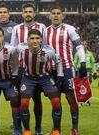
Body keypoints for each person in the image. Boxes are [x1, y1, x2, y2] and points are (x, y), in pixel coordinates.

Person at [44, 5, 87, 135]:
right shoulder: (45, 31)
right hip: (52, 71)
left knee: (71, 98)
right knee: (55, 100)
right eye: (53, 13)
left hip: (67, 68)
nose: (56, 15)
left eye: (58, 13)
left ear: (62, 16)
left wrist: (83, 63)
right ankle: (56, 130)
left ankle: (75, 129)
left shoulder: (70, 29)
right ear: (50, 16)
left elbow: (79, 46)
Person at [10, 3, 46, 135]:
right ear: (22, 13)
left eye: (30, 11)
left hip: (36, 69)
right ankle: (17, 128)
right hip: (20, 69)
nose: (28, 14)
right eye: (26, 12)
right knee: (18, 100)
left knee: (37, 99)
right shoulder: (16, 28)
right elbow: (13, 51)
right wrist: (13, 72)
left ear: (34, 13)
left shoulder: (41, 27)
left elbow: (45, 48)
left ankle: (38, 129)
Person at [18, 29, 63, 135]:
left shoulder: (48, 51)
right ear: (27, 40)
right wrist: (16, 72)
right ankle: (27, 131)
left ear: (41, 40)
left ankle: (56, 131)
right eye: (32, 38)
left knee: (56, 102)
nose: (34, 41)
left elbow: (58, 60)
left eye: (37, 38)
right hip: (28, 78)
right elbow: (12, 56)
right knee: (24, 103)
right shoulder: (21, 48)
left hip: (46, 78)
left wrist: (60, 76)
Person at [0, 3, 17, 132]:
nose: (2, 14)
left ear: (9, 13)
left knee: (14, 97)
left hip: (10, 67)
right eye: (0, 12)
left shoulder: (14, 27)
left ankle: (15, 123)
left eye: (4, 12)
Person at [74, 40, 97, 106]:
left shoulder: (90, 54)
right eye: (83, 44)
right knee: (80, 85)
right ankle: (81, 101)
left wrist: (95, 72)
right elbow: (75, 62)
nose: (84, 46)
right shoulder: (77, 53)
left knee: (88, 85)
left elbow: (93, 63)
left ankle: (87, 100)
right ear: (81, 46)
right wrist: (75, 71)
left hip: (88, 70)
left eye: (85, 44)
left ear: (87, 45)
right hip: (80, 70)